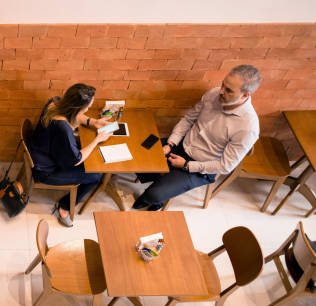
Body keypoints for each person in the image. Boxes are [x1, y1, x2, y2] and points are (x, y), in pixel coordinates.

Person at [132, 64, 262, 211]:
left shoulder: (248, 128)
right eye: (223, 85)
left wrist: (187, 165)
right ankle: (162, 181)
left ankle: (155, 196)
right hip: (181, 145)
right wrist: (171, 143)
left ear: (245, 95)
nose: (221, 91)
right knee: (138, 154)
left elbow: (225, 166)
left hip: (200, 166)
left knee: (154, 195)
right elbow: (188, 119)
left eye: (229, 90)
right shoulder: (213, 94)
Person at [27, 83, 113, 227]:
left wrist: (93, 122)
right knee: (95, 176)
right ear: (77, 107)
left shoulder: (55, 102)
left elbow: (76, 115)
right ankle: (64, 206)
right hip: (45, 171)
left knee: (87, 154)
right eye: (87, 107)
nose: (88, 109)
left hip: (41, 153)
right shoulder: (63, 129)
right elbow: (76, 160)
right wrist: (97, 140)